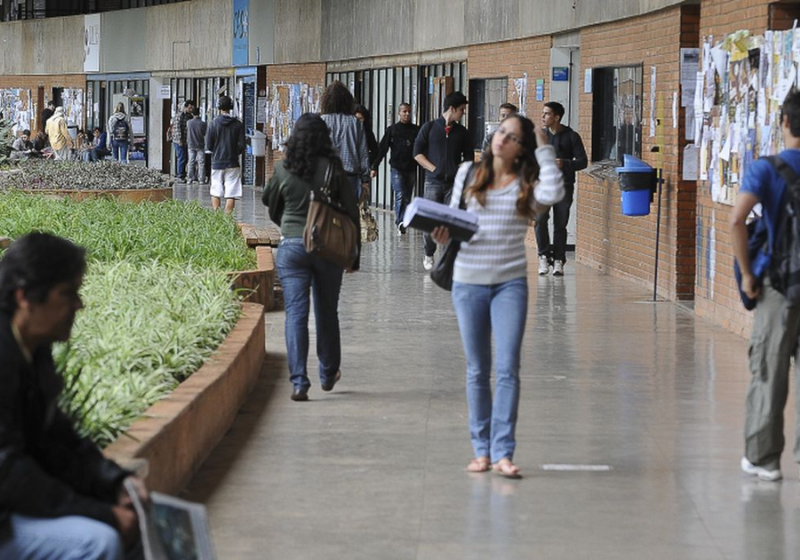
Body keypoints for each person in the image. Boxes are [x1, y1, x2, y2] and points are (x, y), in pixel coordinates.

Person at [0, 232, 148, 559]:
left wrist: (115, 482)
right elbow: (6, 469)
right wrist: (101, 513)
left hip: (13, 503)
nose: (79, 304)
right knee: (97, 541)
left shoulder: (33, 347)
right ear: (26, 296)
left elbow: (56, 436)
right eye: (68, 294)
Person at [431, 115, 564, 478]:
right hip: (468, 281)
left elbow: (554, 194)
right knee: (477, 369)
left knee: (507, 369)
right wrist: (443, 236)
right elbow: (453, 221)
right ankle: (481, 451)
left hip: (509, 284)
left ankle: (503, 452)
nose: (501, 139)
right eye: (500, 131)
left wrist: (544, 146)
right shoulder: (467, 174)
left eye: (511, 137)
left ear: (522, 149)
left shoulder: (527, 183)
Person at [262, 113, 361, 402]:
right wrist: (353, 255)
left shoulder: (283, 168)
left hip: (292, 249)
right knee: (327, 311)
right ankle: (328, 373)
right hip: (328, 248)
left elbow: (270, 202)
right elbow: (351, 213)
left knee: (295, 313)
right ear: (324, 138)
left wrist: (288, 227)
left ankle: (299, 382)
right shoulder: (334, 168)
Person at [731, 89, 800, 482]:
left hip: (779, 285)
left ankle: (763, 458)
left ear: (785, 122)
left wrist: (748, 274)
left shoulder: (766, 168)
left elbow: (737, 221)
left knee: (769, 370)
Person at [414, 91, 474, 271]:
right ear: (452, 109)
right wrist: (434, 168)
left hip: (454, 185)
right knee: (431, 221)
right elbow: (417, 153)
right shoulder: (430, 127)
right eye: (461, 110)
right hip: (432, 182)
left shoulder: (462, 132)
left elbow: (469, 157)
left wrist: (460, 171)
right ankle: (429, 252)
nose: (463, 113)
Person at [535, 101, 587, 276]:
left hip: (564, 186)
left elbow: (583, 161)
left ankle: (558, 260)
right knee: (540, 220)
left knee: (560, 224)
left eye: (547, 114)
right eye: (543, 113)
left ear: (557, 117)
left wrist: (564, 164)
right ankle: (543, 255)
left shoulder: (572, 136)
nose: (543, 117)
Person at [372, 103, 420, 235]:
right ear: (399, 113)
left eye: (409, 112)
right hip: (397, 168)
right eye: (404, 111)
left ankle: (404, 219)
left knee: (407, 196)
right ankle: (400, 222)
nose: (407, 114)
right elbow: (383, 149)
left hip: (411, 167)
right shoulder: (392, 130)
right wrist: (374, 166)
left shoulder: (416, 130)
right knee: (400, 194)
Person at [320, 81, 371, 202]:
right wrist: (365, 180)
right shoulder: (355, 123)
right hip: (349, 178)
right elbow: (363, 154)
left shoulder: (320, 121)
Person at [205, 95, 245, 214]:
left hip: (217, 161)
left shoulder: (212, 124)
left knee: (216, 189)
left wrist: (215, 151)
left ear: (218, 107)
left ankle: (217, 216)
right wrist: (235, 152)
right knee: (231, 191)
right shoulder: (238, 124)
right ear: (231, 107)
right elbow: (242, 145)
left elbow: (208, 145)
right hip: (233, 161)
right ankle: (227, 217)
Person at [169, 100, 195, 182]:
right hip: (178, 140)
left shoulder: (189, 116)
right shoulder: (180, 115)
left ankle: (183, 174)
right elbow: (177, 128)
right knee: (181, 157)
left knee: (185, 157)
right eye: (190, 108)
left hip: (185, 140)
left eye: (192, 108)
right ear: (186, 107)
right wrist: (179, 139)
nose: (191, 110)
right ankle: (180, 175)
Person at [186, 107, 207, 185]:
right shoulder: (203, 123)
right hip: (200, 144)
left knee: (191, 162)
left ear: (192, 113)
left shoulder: (188, 122)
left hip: (191, 144)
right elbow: (205, 133)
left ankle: (189, 179)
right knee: (201, 162)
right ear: (199, 113)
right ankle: (201, 179)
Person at [354, 104, 378, 169]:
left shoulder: (368, 132)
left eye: (360, 119)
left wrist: (367, 160)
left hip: (362, 167)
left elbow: (375, 150)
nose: (358, 122)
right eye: (356, 119)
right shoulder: (348, 132)